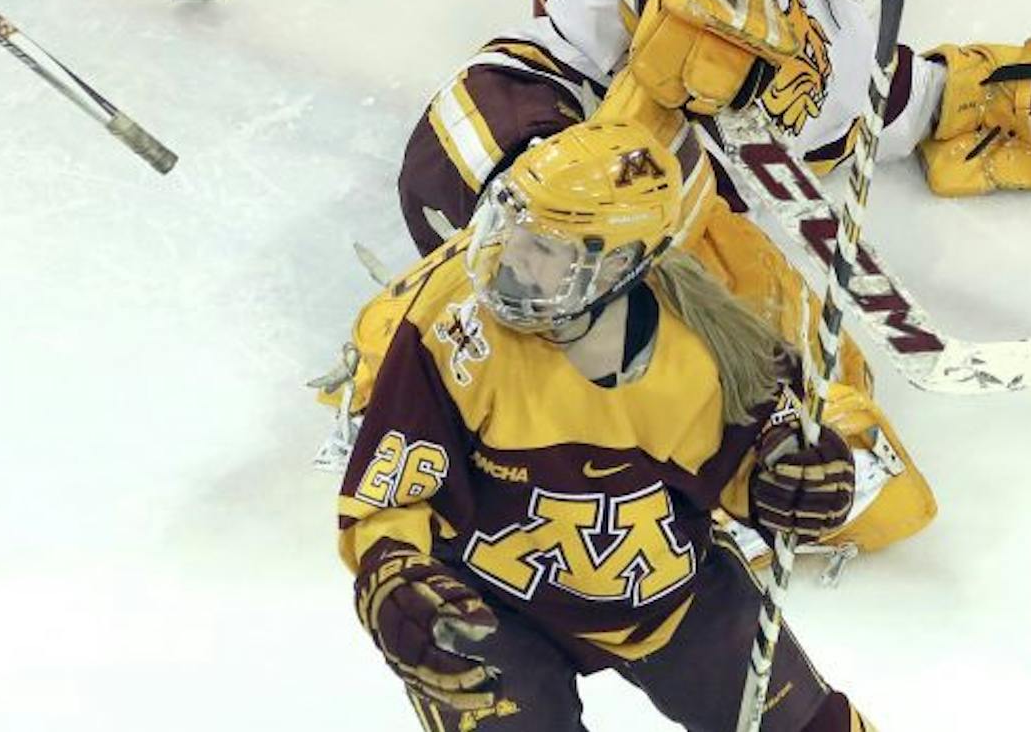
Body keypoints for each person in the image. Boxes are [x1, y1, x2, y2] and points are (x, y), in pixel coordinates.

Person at [387, 0, 1031, 558]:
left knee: (805, 357)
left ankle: (772, 464)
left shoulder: (837, 23)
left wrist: (972, 95)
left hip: (660, 231)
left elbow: (886, 106)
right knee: (603, 271)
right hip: (514, 134)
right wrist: (688, 16)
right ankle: (468, 387)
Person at [339, 119, 873, 732]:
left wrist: (793, 482)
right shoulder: (453, 327)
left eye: (544, 248)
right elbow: (392, 490)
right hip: (489, 604)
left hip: (659, 593)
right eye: (513, 229)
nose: (512, 257)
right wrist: (394, 574)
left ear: (617, 263)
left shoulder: (707, 352)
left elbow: (759, 464)